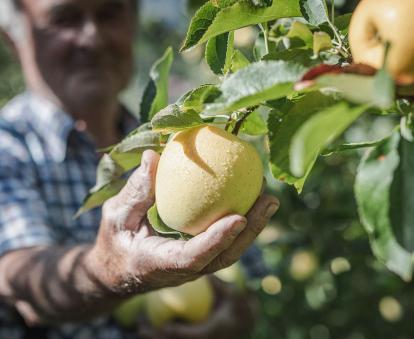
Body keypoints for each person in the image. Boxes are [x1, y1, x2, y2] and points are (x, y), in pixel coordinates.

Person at [0, 0, 280, 338]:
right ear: (14, 40)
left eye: (109, 14)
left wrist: (233, 320)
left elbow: (244, 291)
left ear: (133, 24)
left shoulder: (177, 143)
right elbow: (22, 282)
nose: (92, 37)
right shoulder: (8, 147)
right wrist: (111, 270)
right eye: (65, 18)